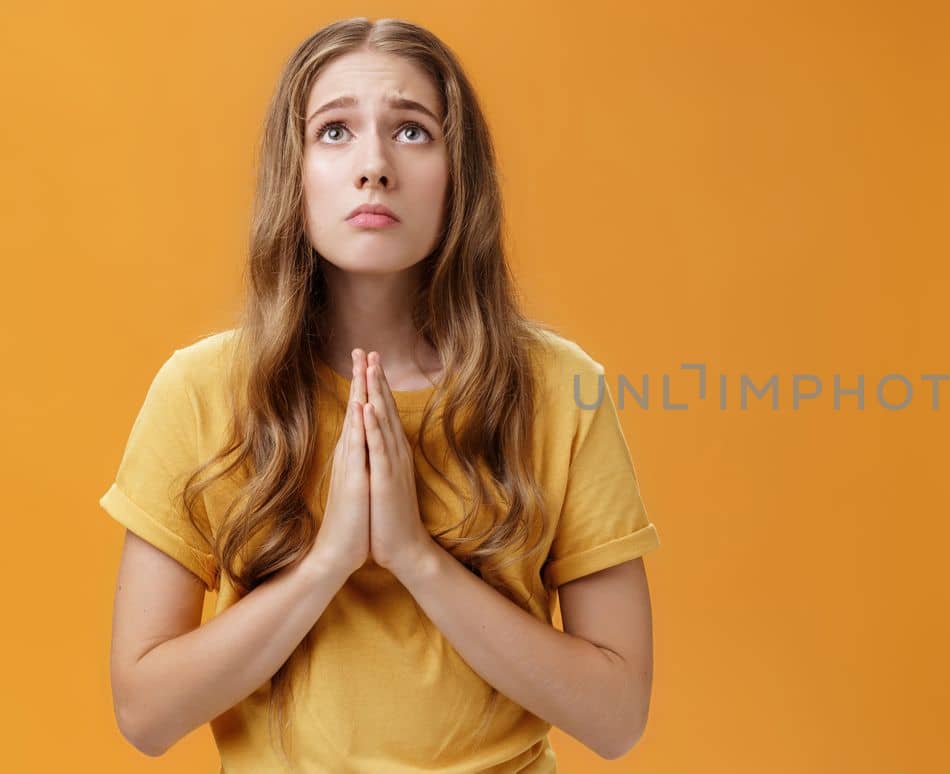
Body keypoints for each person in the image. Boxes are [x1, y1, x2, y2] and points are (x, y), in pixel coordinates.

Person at [100, 17, 660, 772]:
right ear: (292, 171)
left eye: (412, 131)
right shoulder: (200, 391)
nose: (374, 167)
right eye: (334, 132)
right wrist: (329, 559)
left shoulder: (562, 389)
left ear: (459, 173)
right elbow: (145, 714)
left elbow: (617, 718)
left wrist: (413, 556)